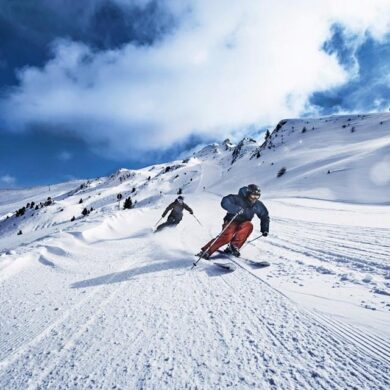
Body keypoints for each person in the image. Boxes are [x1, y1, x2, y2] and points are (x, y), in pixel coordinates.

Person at [197, 184, 269, 259]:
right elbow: (225, 201)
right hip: (232, 220)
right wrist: (235, 209)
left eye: (257, 196)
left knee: (249, 226)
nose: (255, 198)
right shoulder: (237, 198)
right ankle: (206, 251)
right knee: (227, 237)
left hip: (244, 223)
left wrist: (265, 229)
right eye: (253, 195)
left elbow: (264, 216)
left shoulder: (257, 204)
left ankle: (234, 247)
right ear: (248, 193)